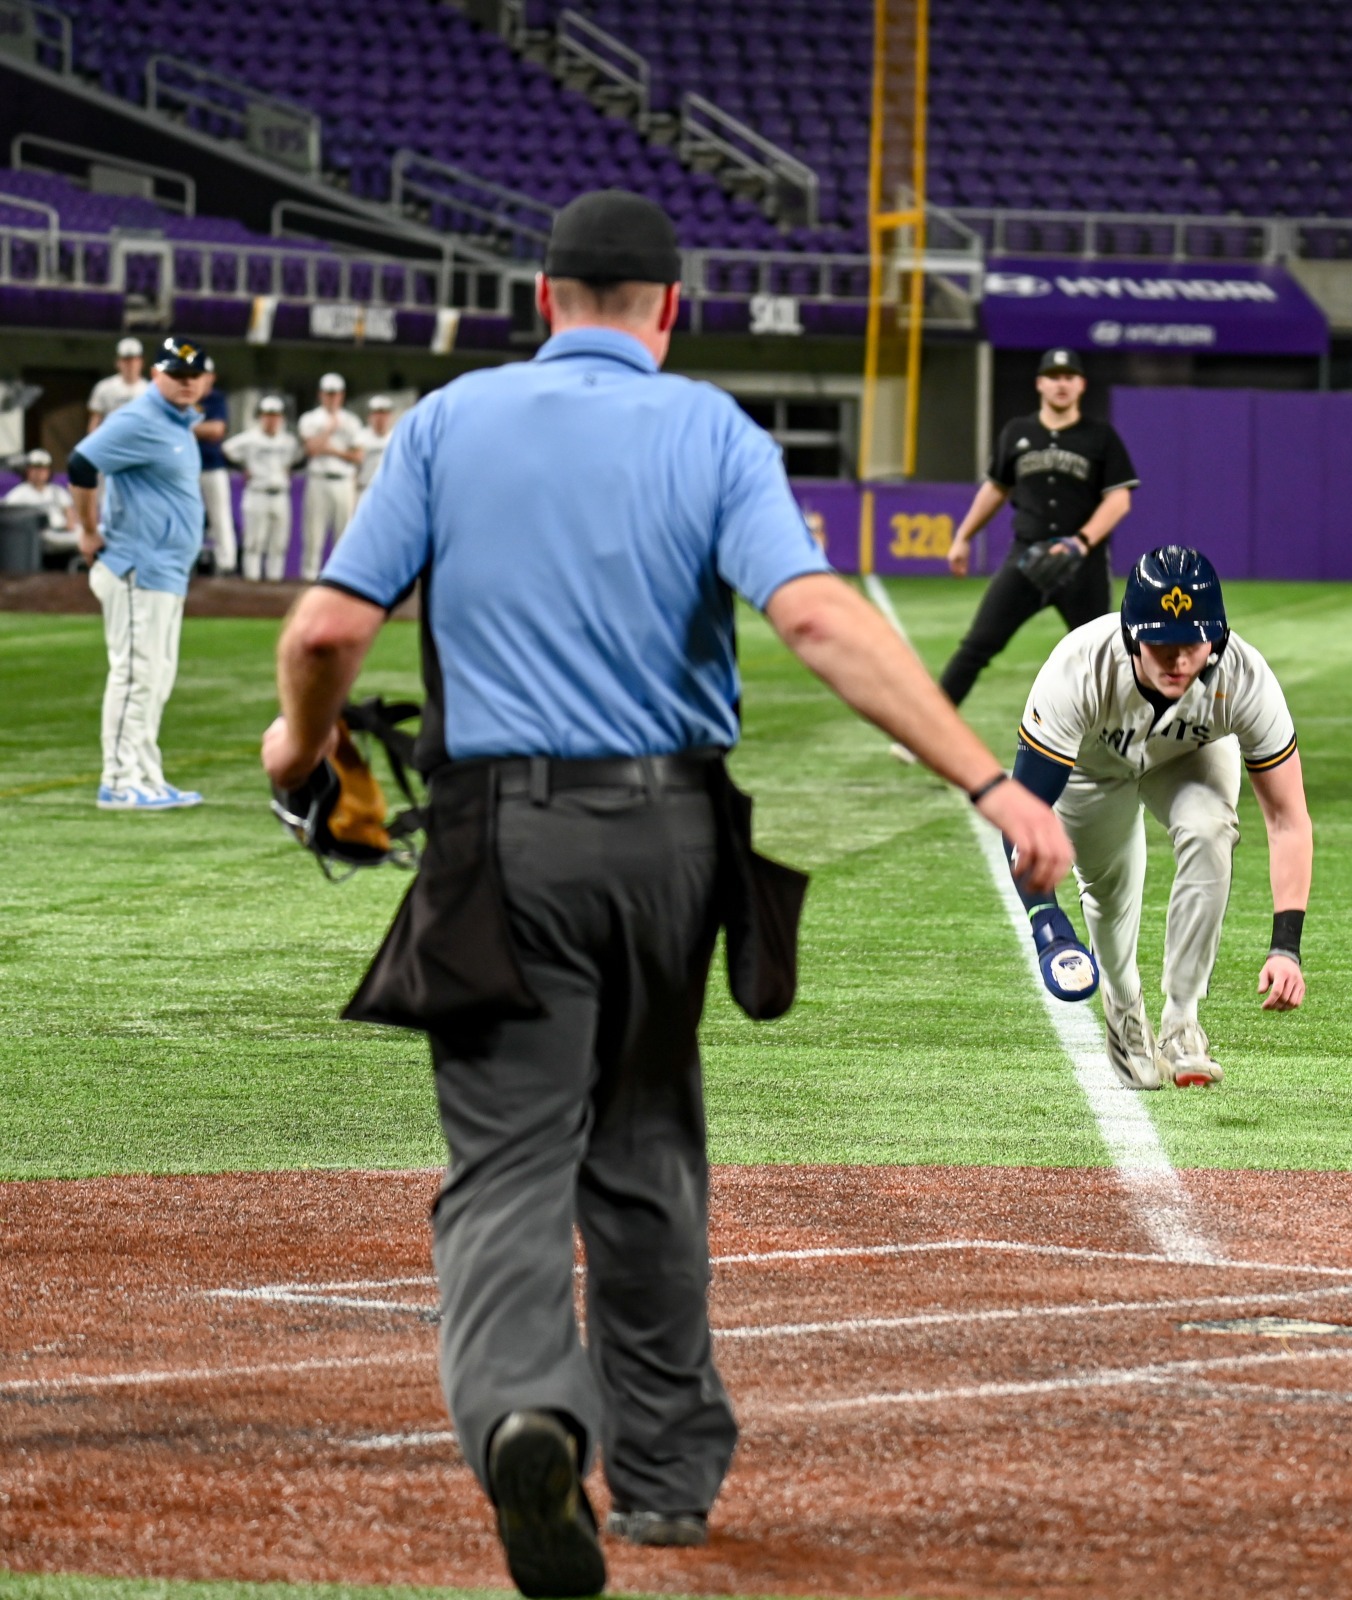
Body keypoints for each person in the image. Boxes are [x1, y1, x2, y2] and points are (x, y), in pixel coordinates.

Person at [260, 189, 1070, 1599]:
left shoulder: (451, 422)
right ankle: (669, 1483)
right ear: (669, 311)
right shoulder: (711, 430)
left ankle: (529, 1408)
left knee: (510, 1162)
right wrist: (990, 786)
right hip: (674, 839)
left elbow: (330, 626)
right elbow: (817, 618)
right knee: (645, 1150)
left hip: (502, 839)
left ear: (543, 299)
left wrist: (302, 745)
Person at [1004, 546, 1311, 1090]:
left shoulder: (1243, 678)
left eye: (1190, 643)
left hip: (1187, 755)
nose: (1176, 661)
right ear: (1130, 635)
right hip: (1093, 766)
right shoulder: (1079, 669)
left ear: (1214, 639)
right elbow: (1024, 810)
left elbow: (1288, 819)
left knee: (1210, 827)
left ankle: (1182, 1021)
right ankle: (1124, 1012)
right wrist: (1045, 922)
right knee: (1112, 886)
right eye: (1160, 643)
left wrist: (1286, 945)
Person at [937, 348, 1138, 706]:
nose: (1061, 384)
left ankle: (1126, 743)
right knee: (977, 645)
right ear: (1039, 384)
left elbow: (1119, 499)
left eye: (1069, 377)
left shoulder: (1100, 436)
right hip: (1027, 557)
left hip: (1082, 563)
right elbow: (996, 489)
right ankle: (927, 729)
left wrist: (1080, 542)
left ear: (1081, 385)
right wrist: (963, 536)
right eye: (1054, 376)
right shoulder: (1018, 432)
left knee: (1105, 660)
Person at [68, 337, 210, 811]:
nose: (187, 383)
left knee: (157, 676)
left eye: (194, 375)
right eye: (178, 375)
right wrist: (88, 530)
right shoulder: (138, 417)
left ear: (205, 379)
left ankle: (146, 774)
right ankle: (119, 780)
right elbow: (81, 462)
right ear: (156, 374)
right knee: (135, 674)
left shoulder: (178, 423)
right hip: (137, 567)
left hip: (166, 570)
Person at [223, 396, 300, 582]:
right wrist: (242, 468)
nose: (272, 419)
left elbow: (300, 458)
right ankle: (252, 585)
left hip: (280, 494)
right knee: (253, 543)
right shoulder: (250, 438)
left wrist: (290, 470)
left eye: (275, 415)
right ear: (261, 417)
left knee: (278, 544)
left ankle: (273, 588)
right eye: (268, 415)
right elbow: (226, 449)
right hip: (257, 493)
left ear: (281, 418)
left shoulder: (288, 441)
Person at [297, 373, 364, 580]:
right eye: (328, 394)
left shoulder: (352, 421)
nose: (332, 398)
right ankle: (308, 579)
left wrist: (332, 450)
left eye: (336, 394)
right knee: (313, 535)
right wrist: (329, 430)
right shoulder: (310, 418)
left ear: (342, 395)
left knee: (344, 536)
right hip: (318, 480)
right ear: (321, 395)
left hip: (343, 481)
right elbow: (310, 449)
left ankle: (340, 581)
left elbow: (358, 456)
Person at [193, 367, 237, 575]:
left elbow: (217, 430)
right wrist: (203, 429)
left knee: (220, 517)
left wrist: (189, 428)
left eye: (206, 374)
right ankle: (186, 563)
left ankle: (227, 565)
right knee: (187, 517)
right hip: (188, 468)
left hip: (213, 467)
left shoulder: (217, 399)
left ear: (212, 377)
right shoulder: (186, 397)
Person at [4, 449, 77, 563]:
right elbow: (7, 515)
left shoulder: (57, 491)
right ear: (27, 471)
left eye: (43, 469)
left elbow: (69, 513)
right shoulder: (18, 494)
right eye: (35, 468)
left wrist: (70, 524)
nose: (39, 472)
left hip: (62, 532)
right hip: (38, 537)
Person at [86, 336, 150, 432]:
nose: (130, 364)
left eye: (134, 360)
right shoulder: (104, 387)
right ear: (118, 362)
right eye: (126, 360)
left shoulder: (150, 390)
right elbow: (95, 420)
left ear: (141, 362)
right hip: (111, 439)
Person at [355, 395, 396, 493]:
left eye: (384, 413)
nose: (380, 417)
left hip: (389, 490)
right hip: (365, 489)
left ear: (390, 416)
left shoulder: (396, 437)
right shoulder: (360, 437)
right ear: (370, 416)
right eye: (376, 413)